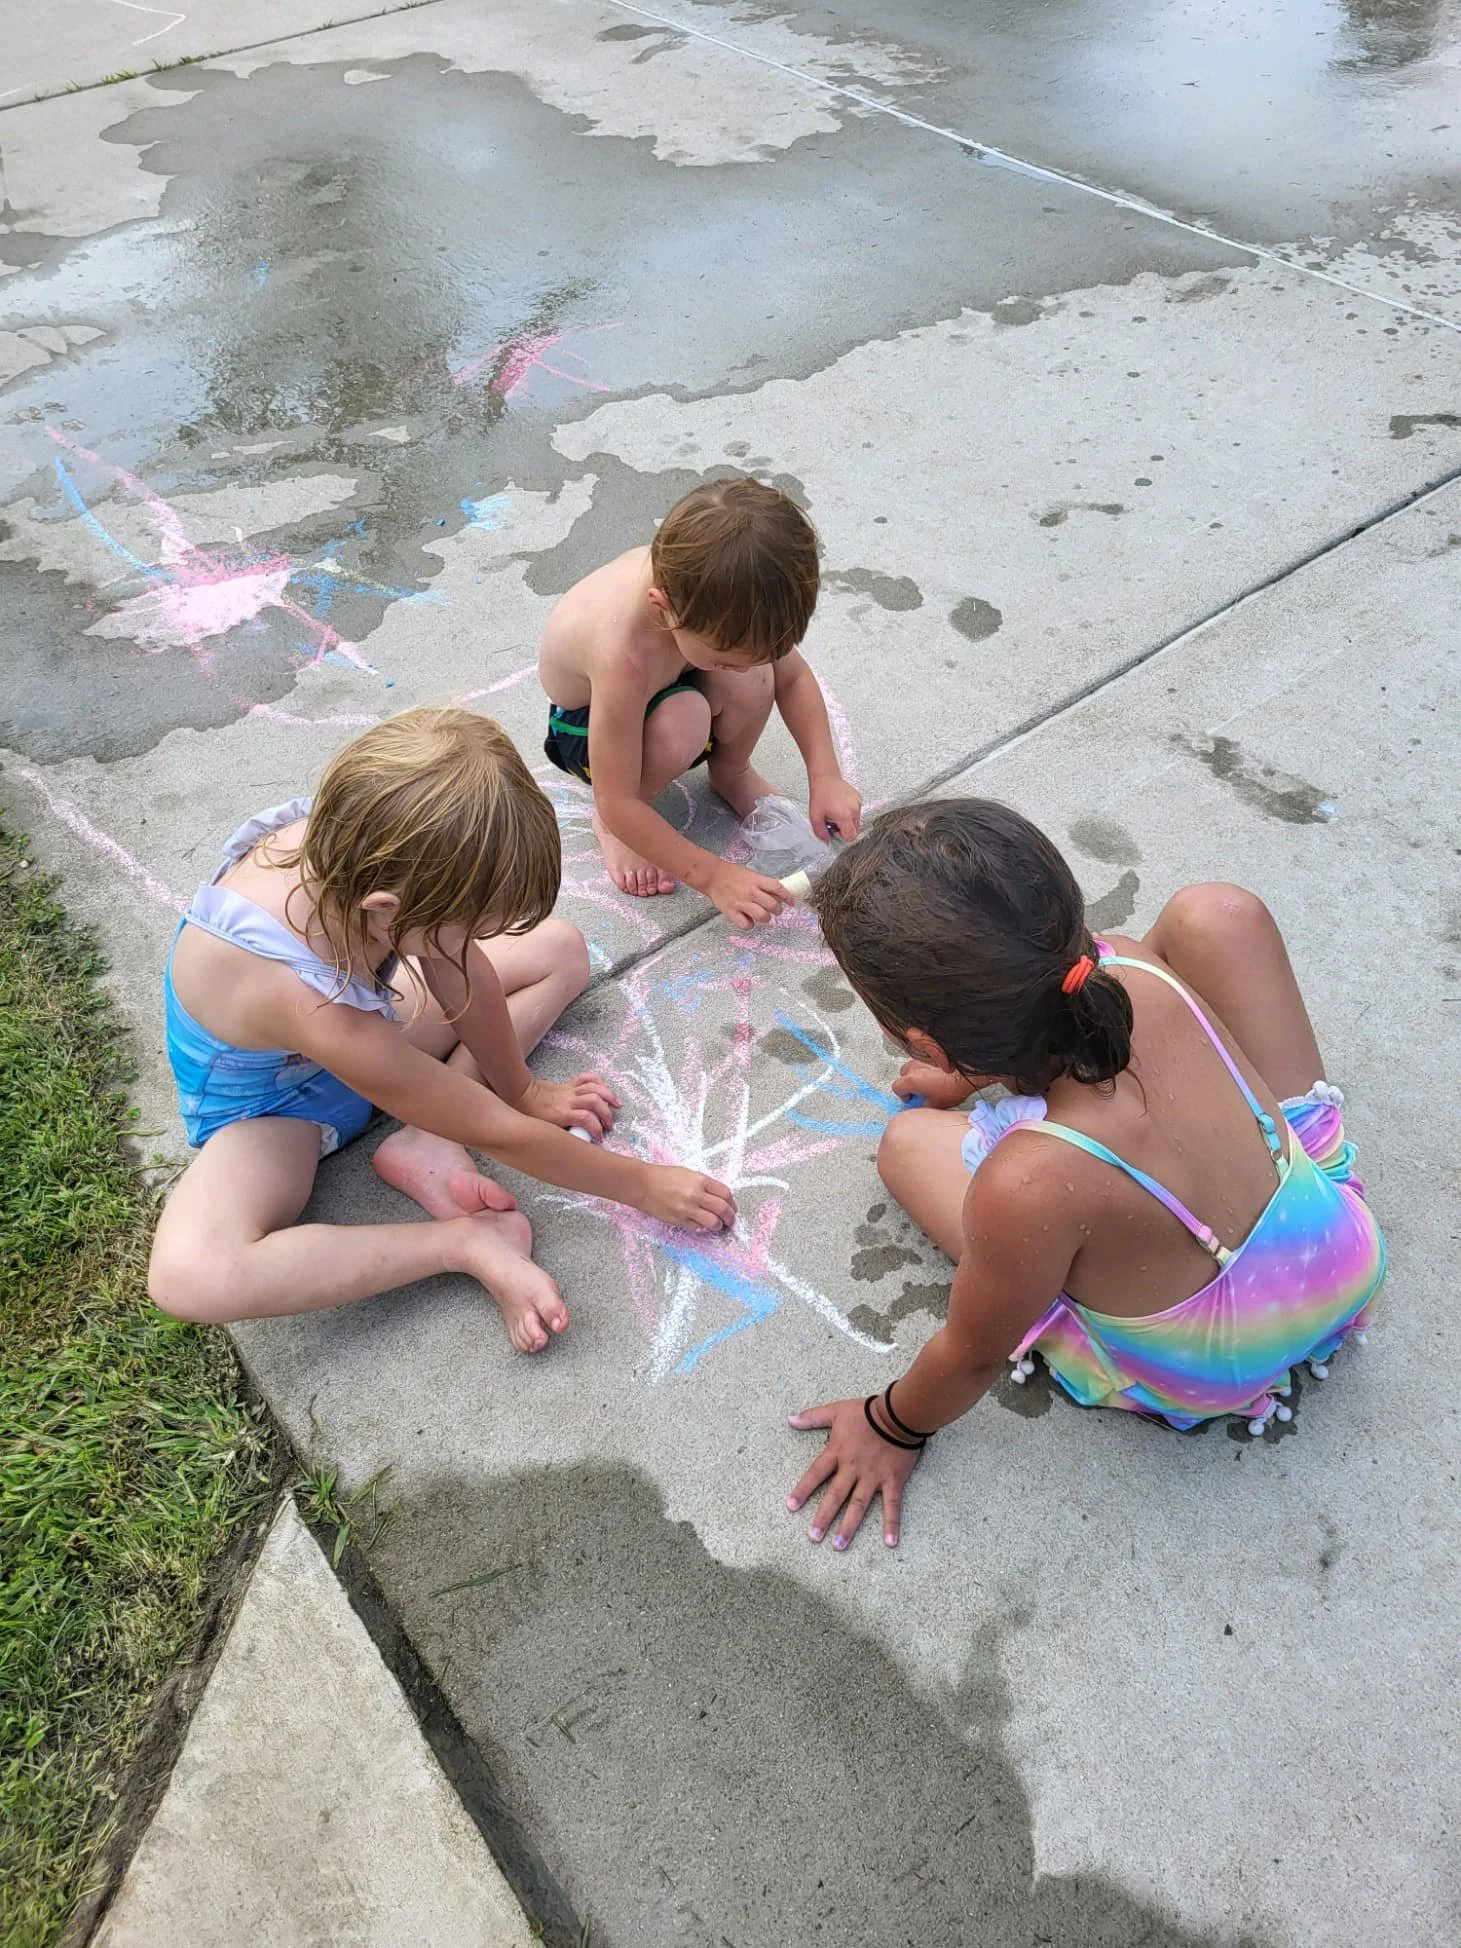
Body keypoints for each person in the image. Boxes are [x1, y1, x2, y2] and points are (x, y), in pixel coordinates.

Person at [785, 799, 1385, 1550]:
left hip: (1215, 1361)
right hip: (1336, 1249)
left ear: (924, 1043)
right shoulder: (1130, 963)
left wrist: (891, 1424)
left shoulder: (1026, 1184)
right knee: (1214, 912)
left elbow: (970, 1353)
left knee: (906, 1142)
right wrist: (968, 1072)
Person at [148, 707, 736, 1351]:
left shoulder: (384, 848)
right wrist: (642, 1185)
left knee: (560, 950)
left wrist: (522, 1090)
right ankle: (461, 1241)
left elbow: (458, 968)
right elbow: (494, 1134)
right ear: (387, 912)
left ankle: (423, 1140)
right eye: (473, 926)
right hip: (273, 1107)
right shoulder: (298, 991)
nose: (478, 942)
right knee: (190, 1276)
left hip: (369, 1027)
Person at [538, 477, 862, 925]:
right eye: (726, 658)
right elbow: (617, 799)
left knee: (754, 679)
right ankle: (614, 833)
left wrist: (825, 776)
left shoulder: (720, 598)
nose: (740, 666)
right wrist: (712, 876)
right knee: (683, 720)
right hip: (585, 722)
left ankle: (732, 772)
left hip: (674, 676)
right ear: (664, 609)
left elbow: (793, 678)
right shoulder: (622, 653)